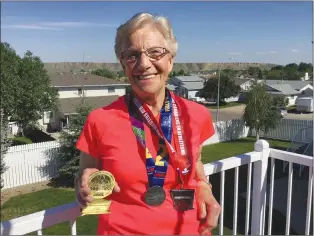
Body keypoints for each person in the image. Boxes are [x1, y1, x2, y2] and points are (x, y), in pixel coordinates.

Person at [74, 12, 221, 235]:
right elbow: (86, 170)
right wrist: (85, 182)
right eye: (132, 55)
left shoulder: (196, 114)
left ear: (170, 61)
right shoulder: (99, 120)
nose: (144, 64)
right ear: (123, 65)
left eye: (155, 53)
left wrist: (203, 185)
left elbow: (196, 160)